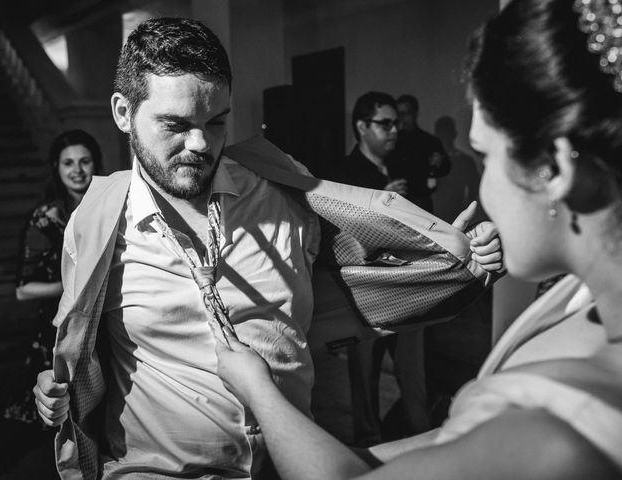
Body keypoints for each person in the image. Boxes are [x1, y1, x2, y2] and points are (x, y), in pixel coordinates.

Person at [33, 18, 503, 480]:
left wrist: (455, 257)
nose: (200, 144)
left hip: (290, 464)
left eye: (216, 122)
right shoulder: (95, 226)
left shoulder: (279, 193)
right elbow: (85, 349)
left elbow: (362, 267)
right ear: (122, 112)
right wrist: (57, 393)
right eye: (175, 124)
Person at [214, 0, 622, 477]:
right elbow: (454, 443)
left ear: (555, 170)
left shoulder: (560, 436)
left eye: (486, 157)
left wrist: (260, 391)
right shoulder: (582, 301)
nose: (484, 184)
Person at [2, 129, 101, 478]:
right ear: (56, 169)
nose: (77, 170)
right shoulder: (46, 217)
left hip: (99, 323)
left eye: (85, 161)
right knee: (53, 423)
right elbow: (22, 289)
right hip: (56, 328)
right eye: (68, 163)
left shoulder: (103, 207)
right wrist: (72, 284)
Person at [340, 92, 430, 445]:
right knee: (364, 379)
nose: (395, 129)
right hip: (367, 294)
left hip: (409, 286)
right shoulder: (342, 173)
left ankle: (422, 442)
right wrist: (382, 197)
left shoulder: (404, 160)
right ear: (362, 127)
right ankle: (368, 450)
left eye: (396, 122)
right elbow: (343, 238)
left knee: (415, 376)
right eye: (385, 123)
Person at [387, 94, 450, 212]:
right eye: (400, 114)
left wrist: (439, 163)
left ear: (415, 113)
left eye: (407, 113)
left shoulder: (428, 141)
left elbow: (445, 168)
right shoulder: (392, 141)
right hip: (396, 200)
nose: (403, 118)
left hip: (420, 200)